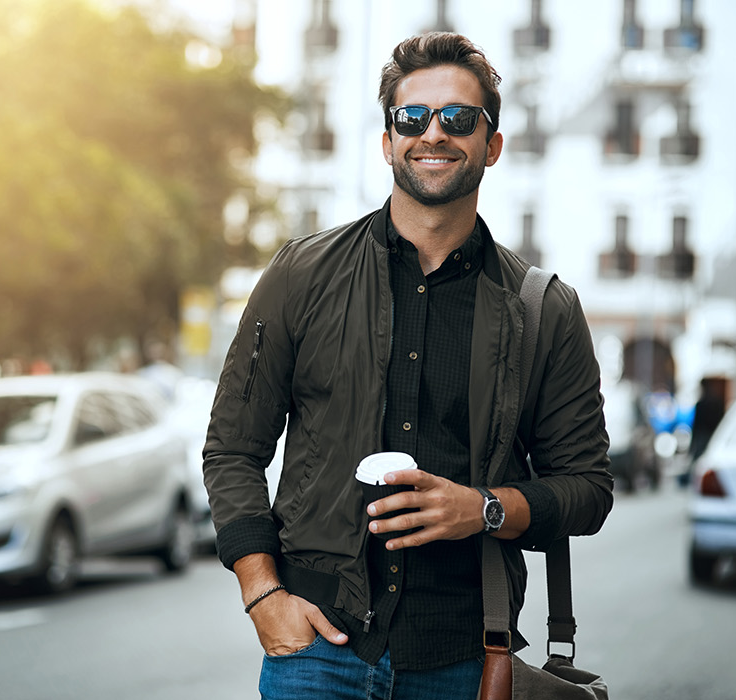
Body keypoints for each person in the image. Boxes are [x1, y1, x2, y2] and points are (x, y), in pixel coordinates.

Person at [202, 33, 614, 699]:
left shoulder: (545, 309)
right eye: (412, 117)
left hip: (464, 656)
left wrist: (480, 509)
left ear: (493, 144)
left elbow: (588, 489)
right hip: (316, 649)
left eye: (458, 118)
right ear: (388, 141)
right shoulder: (299, 276)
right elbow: (232, 448)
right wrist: (262, 595)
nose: (434, 133)